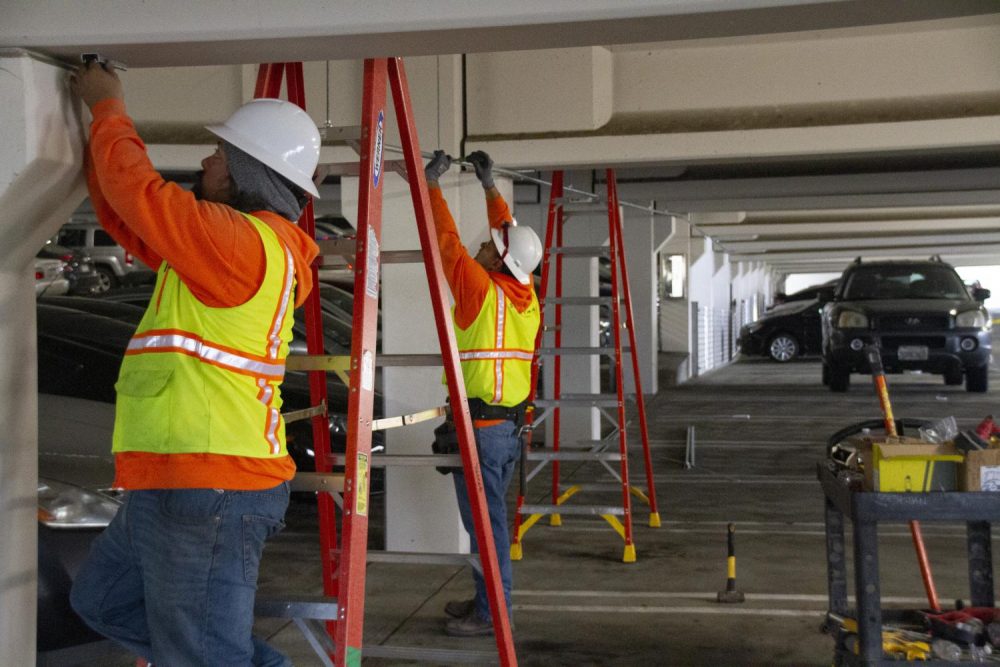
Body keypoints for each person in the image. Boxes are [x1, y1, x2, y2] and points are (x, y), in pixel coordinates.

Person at [67, 61, 320, 666]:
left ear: (248, 172)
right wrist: (97, 136)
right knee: (102, 601)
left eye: (218, 153)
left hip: (211, 485)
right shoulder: (230, 246)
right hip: (180, 482)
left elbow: (141, 194)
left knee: (199, 655)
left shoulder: (239, 244)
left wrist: (109, 107)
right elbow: (130, 215)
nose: (206, 162)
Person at [423, 149, 543, 637]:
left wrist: (432, 186)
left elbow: (445, 240)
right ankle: (484, 599)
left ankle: (492, 613)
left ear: (498, 260)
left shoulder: (478, 289)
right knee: (488, 523)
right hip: (508, 428)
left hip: (483, 431)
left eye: (489, 245)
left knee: (487, 529)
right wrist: (490, 187)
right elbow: (509, 234)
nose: (481, 246)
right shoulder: (525, 291)